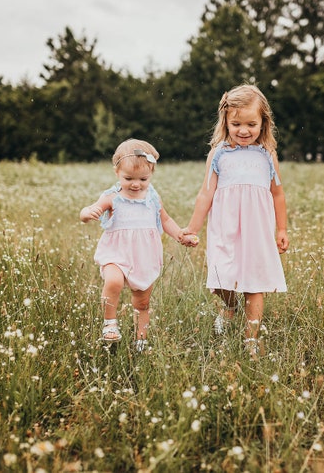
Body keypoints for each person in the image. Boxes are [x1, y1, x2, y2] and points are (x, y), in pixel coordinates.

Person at [182, 84, 289, 355]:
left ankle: (251, 340)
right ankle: (229, 306)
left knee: (254, 284)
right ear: (225, 122)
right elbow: (206, 193)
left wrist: (282, 229)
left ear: (263, 123)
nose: (244, 130)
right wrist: (192, 229)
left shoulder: (267, 155)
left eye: (251, 124)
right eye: (236, 123)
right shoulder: (219, 154)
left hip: (257, 231)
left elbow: (277, 194)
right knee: (220, 279)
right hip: (225, 229)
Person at [80, 139, 197, 352]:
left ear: (151, 173)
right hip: (116, 253)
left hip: (145, 257)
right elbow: (88, 211)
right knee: (113, 281)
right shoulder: (112, 198)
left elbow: (166, 220)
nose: (136, 184)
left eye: (143, 178)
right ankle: (109, 324)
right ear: (117, 172)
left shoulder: (152, 198)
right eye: (129, 178)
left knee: (142, 303)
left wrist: (180, 235)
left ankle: (141, 340)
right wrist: (88, 214)